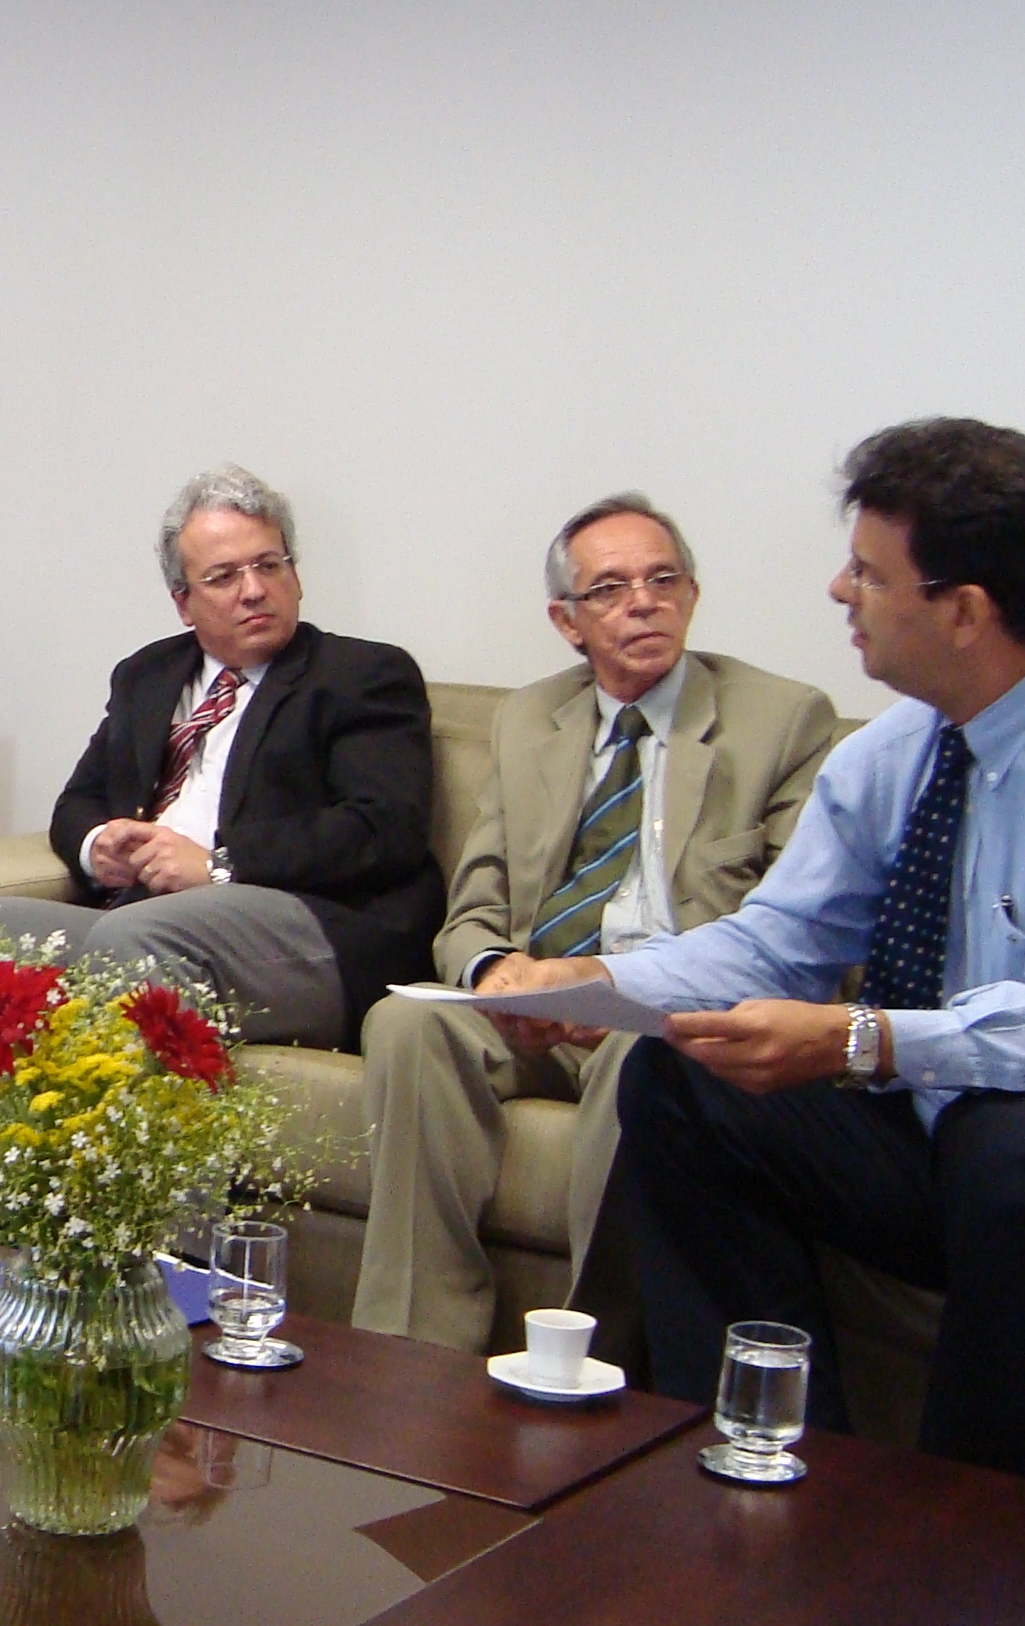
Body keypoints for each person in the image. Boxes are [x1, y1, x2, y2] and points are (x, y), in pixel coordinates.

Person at [512, 420, 1025, 1515]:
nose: (838, 590)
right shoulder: (895, 753)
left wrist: (859, 1041)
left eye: (868, 572)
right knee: (682, 1079)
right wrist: (598, 989)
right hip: (968, 1146)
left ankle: (976, 1567)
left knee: (1019, 1140)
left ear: (964, 610)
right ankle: (775, 1485)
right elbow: (774, 943)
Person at [350, 496, 836, 1356]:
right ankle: (411, 1352)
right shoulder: (530, 718)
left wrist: (616, 991)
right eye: (610, 589)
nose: (643, 603)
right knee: (407, 1025)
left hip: (668, 1004)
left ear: (691, 595)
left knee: (643, 1059)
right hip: (540, 996)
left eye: (662, 581)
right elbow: (476, 901)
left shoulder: (782, 719)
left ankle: (586, 1355)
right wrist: (496, 972)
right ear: (567, 622)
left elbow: (798, 933)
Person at [0, 464, 438, 1048]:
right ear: (183, 603)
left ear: (295, 576)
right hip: (145, 918)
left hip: (313, 928)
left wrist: (218, 864)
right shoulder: (148, 676)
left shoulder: (361, 675)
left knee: (137, 938)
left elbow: (383, 827)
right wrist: (98, 849)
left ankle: (148, 1112)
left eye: (269, 565)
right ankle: (10, 1117)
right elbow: (81, 800)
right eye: (223, 577)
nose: (253, 590)